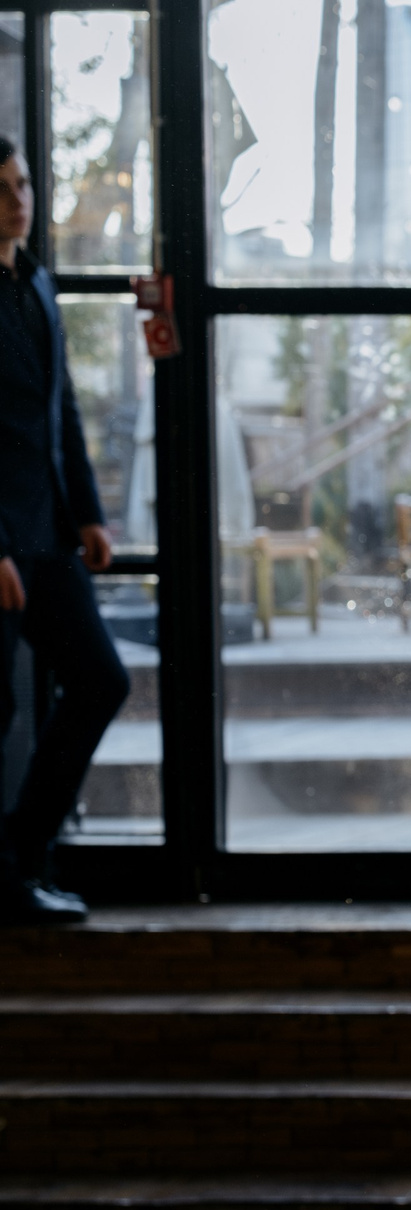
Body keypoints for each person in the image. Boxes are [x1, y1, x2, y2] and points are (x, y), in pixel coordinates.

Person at [0, 138, 126, 922]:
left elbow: (62, 412)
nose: (19, 198)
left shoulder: (35, 283)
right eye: (4, 187)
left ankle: (18, 858)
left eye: (22, 184)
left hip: (47, 533)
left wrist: (87, 511)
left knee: (101, 681)